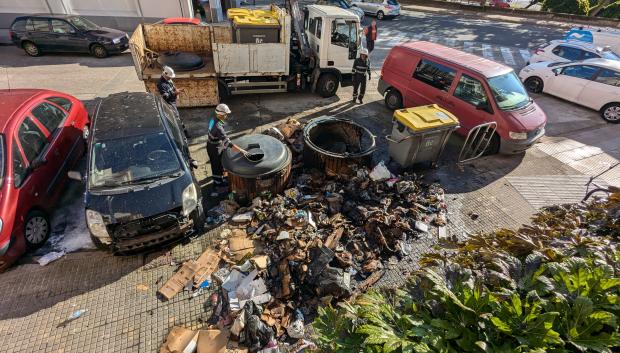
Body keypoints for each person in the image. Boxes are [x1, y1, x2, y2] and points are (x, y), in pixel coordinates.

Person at [207, 103, 248, 188]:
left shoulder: (213, 118)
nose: (226, 116)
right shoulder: (218, 127)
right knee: (216, 165)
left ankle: (219, 178)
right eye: (226, 114)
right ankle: (218, 183)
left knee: (216, 164)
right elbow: (228, 143)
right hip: (214, 148)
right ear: (221, 114)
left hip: (211, 144)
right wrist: (241, 150)